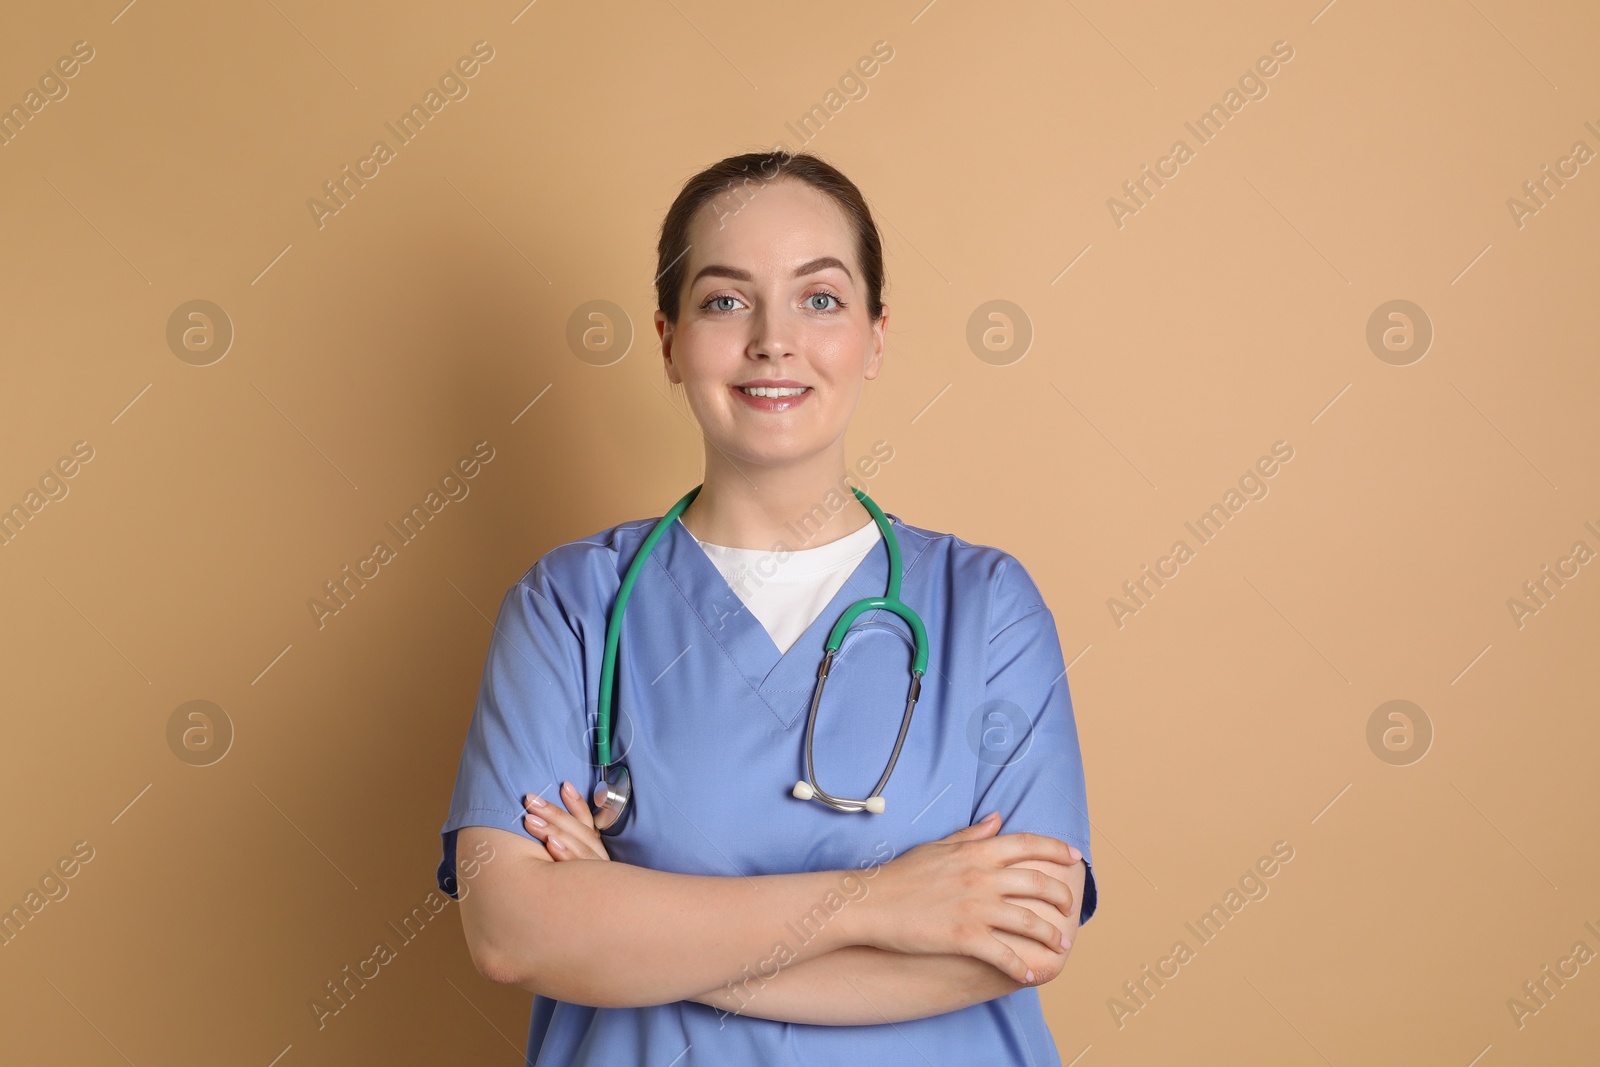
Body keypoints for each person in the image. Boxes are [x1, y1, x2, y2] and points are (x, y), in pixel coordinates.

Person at [436, 149, 1098, 1065]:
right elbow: (512, 930)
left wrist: (633, 933)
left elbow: (1019, 943)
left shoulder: (989, 608)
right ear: (668, 340)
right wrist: (882, 903)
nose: (772, 340)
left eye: (820, 299)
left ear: (874, 336)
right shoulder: (572, 605)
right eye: (724, 299)